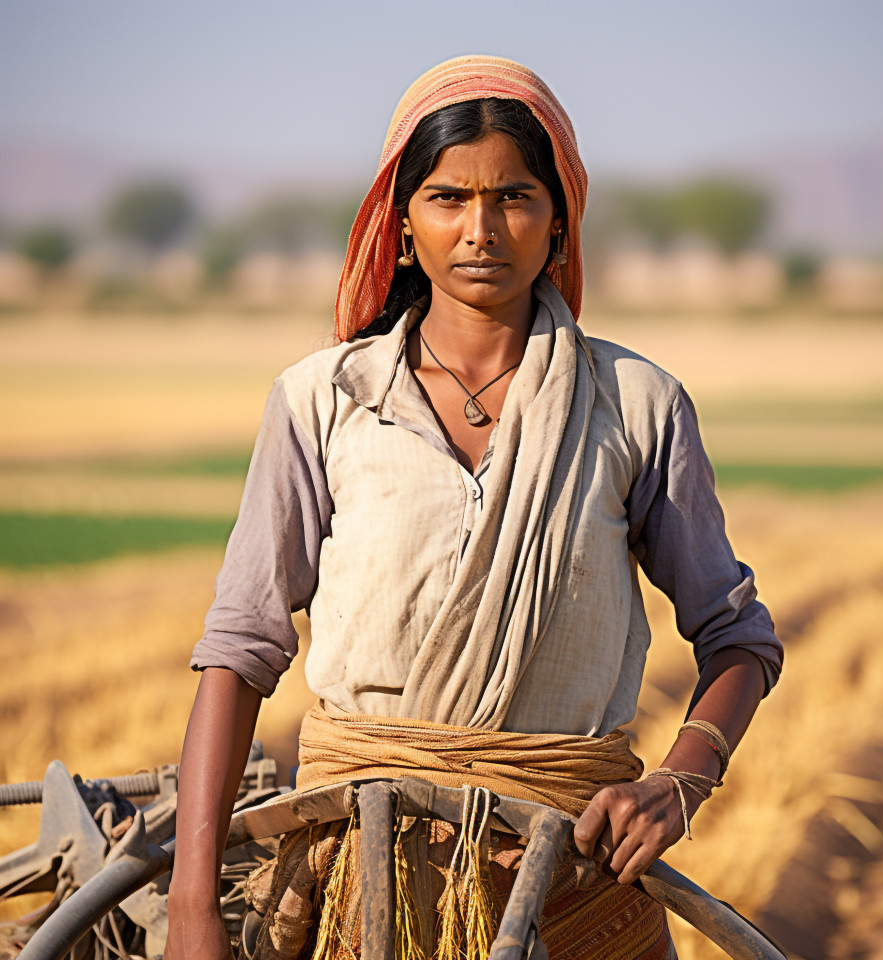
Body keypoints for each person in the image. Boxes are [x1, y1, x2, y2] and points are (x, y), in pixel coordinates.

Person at [163, 56, 783, 960]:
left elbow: (740, 638)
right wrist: (191, 906)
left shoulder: (638, 405)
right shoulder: (321, 402)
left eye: (516, 198)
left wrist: (680, 783)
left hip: (575, 888)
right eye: (449, 198)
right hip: (360, 882)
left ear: (561, 225)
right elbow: (240, 650)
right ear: (401, 224)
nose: (481, 229)